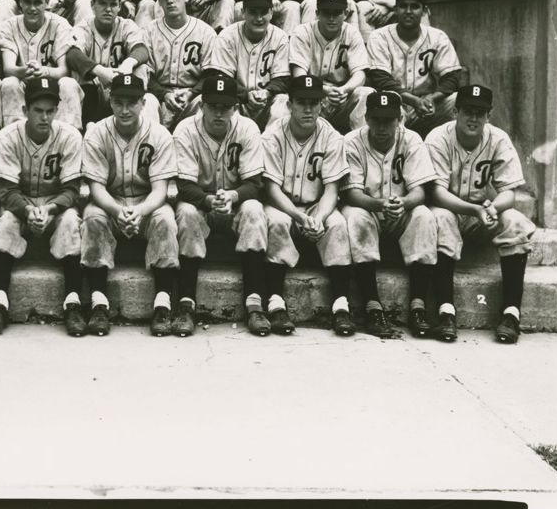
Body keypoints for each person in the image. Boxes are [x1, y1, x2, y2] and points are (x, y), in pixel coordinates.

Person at [425, 85, 536, 343]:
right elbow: (437, 193)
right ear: (455, 111)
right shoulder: (438, 138)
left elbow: (509, 193)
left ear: (489, 115)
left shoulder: (498, 139)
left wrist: (492, 208)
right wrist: (475, 209)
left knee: (517, 223)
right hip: (450, 209)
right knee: (439, 217)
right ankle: (446, 312)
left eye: (480, 112)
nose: (473, 118)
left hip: (483, 212)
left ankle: (511, 314)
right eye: (468, 111)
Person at [81, 74, 179, 336]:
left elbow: (160, 190)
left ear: (143, 103)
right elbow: (96, 188)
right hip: (110, 202)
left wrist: (140, 211)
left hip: (146, 203)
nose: (125, 109)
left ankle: (162, 303)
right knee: (92, 217)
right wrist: (116, 210)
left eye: (132, 102)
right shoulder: (97, 133)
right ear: (110, 102)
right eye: (119, 102)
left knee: (166, 219)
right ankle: (99, 303)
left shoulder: (159, 134)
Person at [173, 74, 267, 337]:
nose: (218, 113)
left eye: (225, 107)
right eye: (213, 106)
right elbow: (182, 184)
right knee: (186, 212)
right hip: (201, 203)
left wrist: (233, 197)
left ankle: (255, 304)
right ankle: (185, 303)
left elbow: (255, 182)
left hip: (235, 203)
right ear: (201, 105)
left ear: (234, 108)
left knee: (255, 210)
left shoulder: (247, 128)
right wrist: (208, 200)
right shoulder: (185, 130)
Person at [340, 90, 439, 339]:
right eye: (377, 119)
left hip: (399, 210)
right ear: (367, 118)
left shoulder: (412, 139)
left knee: (424, 216)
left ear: (399, 119)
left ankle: (418, 306)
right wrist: (380, 204)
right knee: (355, 216)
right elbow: (352, 194)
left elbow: (419, 192)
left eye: (389, 120)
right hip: (369, 208)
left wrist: (403, 203)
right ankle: (373, 306)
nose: (382, 126)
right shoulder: (352, 141)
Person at [0, 77, 85, 336]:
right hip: (20, 202)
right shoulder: (8, 136)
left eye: (50, 111)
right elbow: (5, 191)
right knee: (6, 223)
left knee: (70, 222)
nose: (44, 117)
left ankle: (73, 302)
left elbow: (72, 190)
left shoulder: (69, 136)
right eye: (38, 111)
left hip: (55, 204)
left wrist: (52, 209)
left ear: (56, 111)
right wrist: (27, 211)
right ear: (25, 110)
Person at [261, 75, 355, 337]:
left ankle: (341, 306)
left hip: (316, 204)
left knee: (336, 224)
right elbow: (270, 189)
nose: (308, 109)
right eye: (301, 102)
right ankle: (276, 303)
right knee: (276, 221)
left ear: (321, 106)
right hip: (283, 205)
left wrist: (318, 217)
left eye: (314, 103)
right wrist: (297, 217)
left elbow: (332, 190)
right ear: (289, 105)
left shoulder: (332, 136)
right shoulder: (273, 135)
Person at [0, 0, 83, 132]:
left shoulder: (59, 24)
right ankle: (13, 135)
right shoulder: (8, 26)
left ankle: (69, 135)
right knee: (9, 82)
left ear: (46, 3)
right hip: (22, 85)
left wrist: (44, 71)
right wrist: (23, 71)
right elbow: (8, 68)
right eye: (27, 2)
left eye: (38, 2)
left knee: (69, 83)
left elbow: (64, 70)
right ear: (20, 3)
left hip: (50, 87)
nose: (32, 8)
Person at [366, 0, 462, 136]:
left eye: (415, 6)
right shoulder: (379, 36)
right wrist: (414, 101)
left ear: (424, 11)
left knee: (458, 100)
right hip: (392, 105)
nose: (408, 11)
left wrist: (432, 98)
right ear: (395, 9)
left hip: (427, 105)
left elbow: (452, 78)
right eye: (403, 6)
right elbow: (381, 79)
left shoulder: (437, 37)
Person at [66, 0, 154, 127]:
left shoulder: (126, 25)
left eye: (113, 4)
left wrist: (128, 63)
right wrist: (100, 71)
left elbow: (142, 50)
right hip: (93, 91)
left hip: (121, 92)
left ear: (119, 6)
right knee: (76, 72)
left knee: (140, 67)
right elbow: (72, 54)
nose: (108, 9)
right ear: (92, 5)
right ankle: (87, 125)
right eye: (102, 3)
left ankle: (136, 126)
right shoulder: (84, 27)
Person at [287, 0, 373, 133]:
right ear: (317, 13)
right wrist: (324, 90)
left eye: (337, 13)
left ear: (345, 14)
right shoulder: (302, 32)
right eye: (326, 13)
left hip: (341, 98)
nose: (332, 18)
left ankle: (359, 144)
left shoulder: (351, 33)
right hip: (312, 99)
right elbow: (298, 74)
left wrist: (344, 90)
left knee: (366, 92)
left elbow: (360, 74)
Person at [140, 0, 217, 130]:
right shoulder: (148, 31)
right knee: (146, 101)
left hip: (192, 97)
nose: (169, 1)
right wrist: (164, 95)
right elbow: (147, 75)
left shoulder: (205, 32)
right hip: (159, 97)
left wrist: (191, 94)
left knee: (205, 102)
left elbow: (210, 74)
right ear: (159, 1)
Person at [207, 0, 290, 129]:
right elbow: (221, 77)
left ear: (271, 13)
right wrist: (245, 95)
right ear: (243, 12)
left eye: (264, 12)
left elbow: (282, 80)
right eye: (253, 12)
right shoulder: (227, 36)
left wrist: (267, 92)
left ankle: (272, 147)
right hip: (236, 99)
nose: (259, 18)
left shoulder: (280, 37)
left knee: (283, 102)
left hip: (267, 101)